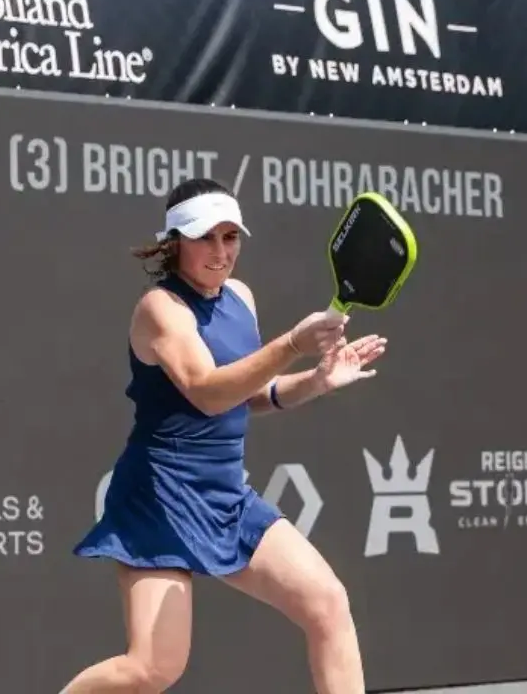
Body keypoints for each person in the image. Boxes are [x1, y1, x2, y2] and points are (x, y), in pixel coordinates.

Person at [62, 178, 387, 694]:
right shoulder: (160, 309)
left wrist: (317, 381)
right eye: (204, 237)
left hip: (226, 496)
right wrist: (293, 343)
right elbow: (207, 393)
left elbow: (247, 393)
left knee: (327, 604)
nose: (220, 252)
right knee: (152, 669)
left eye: (230, 237)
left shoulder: (240, 297)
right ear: (174, 243)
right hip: (160, 499)